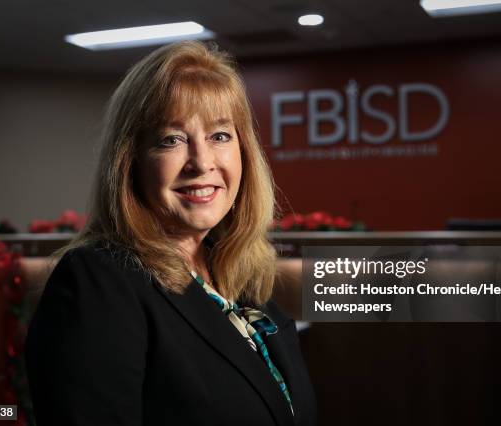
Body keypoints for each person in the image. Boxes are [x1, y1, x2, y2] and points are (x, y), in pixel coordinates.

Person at [24, 40, 317, 426]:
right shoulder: (97, 283)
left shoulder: (239, 277)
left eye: (220, 136)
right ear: (131, 161)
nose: (202, 162)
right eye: (171, 139)